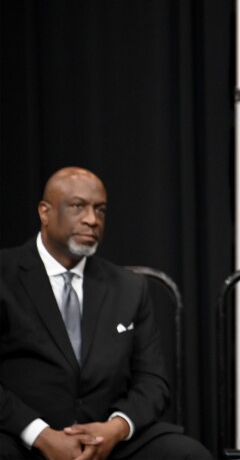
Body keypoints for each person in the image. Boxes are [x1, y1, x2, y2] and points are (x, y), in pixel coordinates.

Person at [0, 167, 212, 459]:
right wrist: (39, 435)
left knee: (187, 454)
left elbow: (153, 381)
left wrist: (115, 428)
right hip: (22, 440)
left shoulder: (128, 287)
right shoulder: (5, 274)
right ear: (45, 212)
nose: (92, 219)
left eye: (100, 210)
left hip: (108, 442)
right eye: (78, 207)